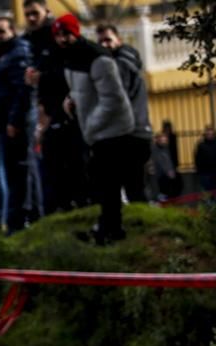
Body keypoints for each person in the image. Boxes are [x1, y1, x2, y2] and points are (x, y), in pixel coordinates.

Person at [55, 14, 135, 244]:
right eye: (58, 35)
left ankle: (112, 229)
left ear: (76, 33)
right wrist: (70, 100)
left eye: (66, 34)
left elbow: (113, 99)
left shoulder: (97, 58)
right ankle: (106, 225)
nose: (62, 39)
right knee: (100, 181)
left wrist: (90, 127)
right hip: (95, 128)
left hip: (113, 129)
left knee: (108, 181)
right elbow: (81, 89)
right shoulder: (71, 58)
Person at [23, 0, 87, 215]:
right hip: (48, 111)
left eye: (35, 13)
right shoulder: (31, 41)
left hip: (68, 110)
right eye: (27, 14)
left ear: (46, 11)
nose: (31, 18)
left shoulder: (58, 36)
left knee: (73, 165)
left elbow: (70, 71)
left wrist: (43, 78)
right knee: (53, 167)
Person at [0, 15, 32, 231]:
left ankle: (17, 227)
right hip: (1, 126)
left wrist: (14, 120)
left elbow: (20, 91)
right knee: (11, 179)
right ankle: (13, 226)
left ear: (12, 31)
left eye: (1, 32)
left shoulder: (17, 54)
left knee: (16, 180)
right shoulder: (2, 56)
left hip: (14, 128)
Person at [97, 24, 152, 203]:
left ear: (118, 40)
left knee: (133, 188)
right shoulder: (124, 63)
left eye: (108, 40)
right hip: (136, 131)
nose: (105, 45)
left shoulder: (120, 65)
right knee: (134, 187)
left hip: (129, 133)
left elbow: (116, 98)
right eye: (101, 42)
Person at [151, 132, 182, 200]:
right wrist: (168, 171)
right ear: (157, 140)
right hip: (160, 176)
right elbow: (159, 161)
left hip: (167, 175)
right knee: (163, 193)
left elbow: (169, 161)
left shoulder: (166, 148)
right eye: (162, 140)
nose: (164, 142)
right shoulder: (154, 149)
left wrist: (172, 170)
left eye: (165, 140)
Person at [196, 126, 216, 193]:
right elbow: (197, 158)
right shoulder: (201, 145)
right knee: (207, 190)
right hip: (205, 173)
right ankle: (208, 202)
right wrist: (199, 170)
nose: (210, 136)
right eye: (208, 134)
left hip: (214, 171)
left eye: (212, 134)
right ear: (205, 135)